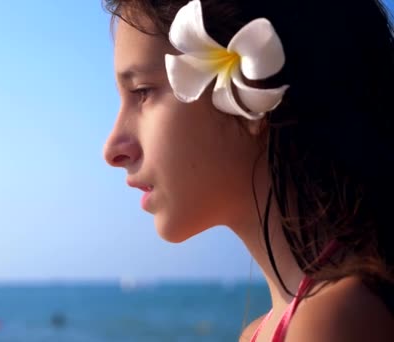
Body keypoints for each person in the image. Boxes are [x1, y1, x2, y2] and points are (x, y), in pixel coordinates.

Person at [101, 0, 394, 341]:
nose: (112, 149)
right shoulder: (262, 331)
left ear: (251, 84)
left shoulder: (337, 323)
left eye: (142, 92)